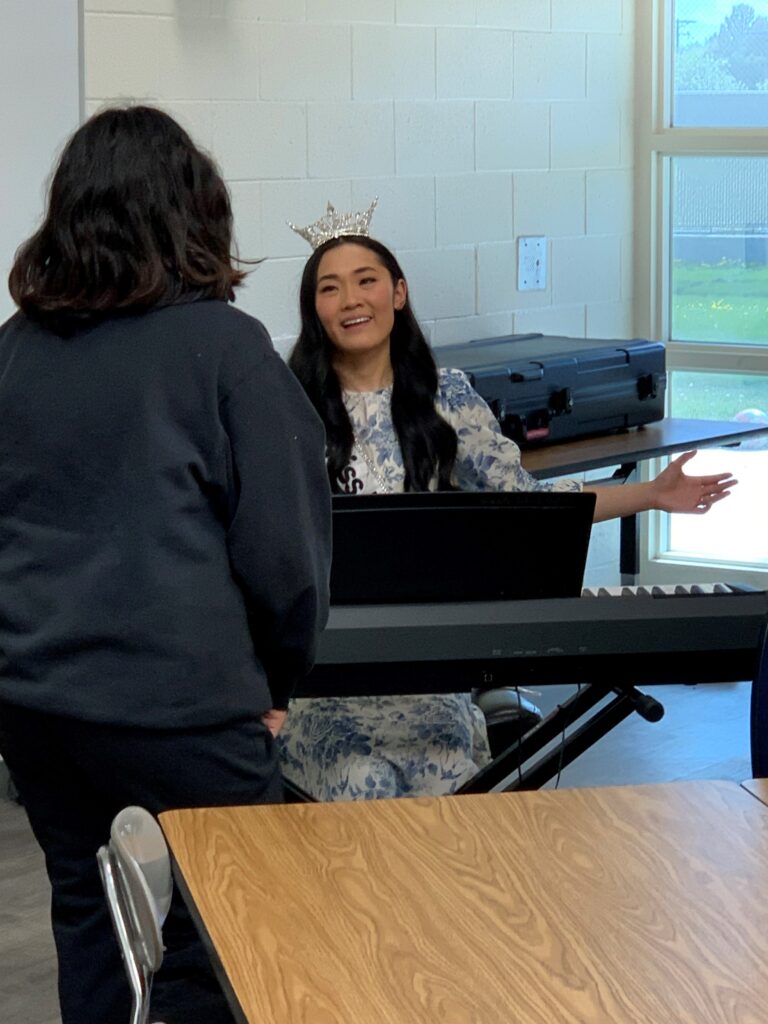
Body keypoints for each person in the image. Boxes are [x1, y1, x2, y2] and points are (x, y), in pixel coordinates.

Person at [0, 106, 331, 1024]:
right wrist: (278, 677)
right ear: (196, 211)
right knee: (230, 932)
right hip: (182, 706)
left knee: (92, 916)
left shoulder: (13, 352)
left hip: (36, 707)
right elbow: (284, 550)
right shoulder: (225, 348)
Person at [280, 208, 736, 803]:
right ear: (314, 309)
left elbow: (530, 506)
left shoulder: (449, 397)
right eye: (330, 287)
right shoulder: (285, 404)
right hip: (327, 680)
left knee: (449, 786)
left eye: (366, 280)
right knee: (361, 784)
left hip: (426, 677)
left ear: (398, 292)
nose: (351, 300)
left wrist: (650, 494)